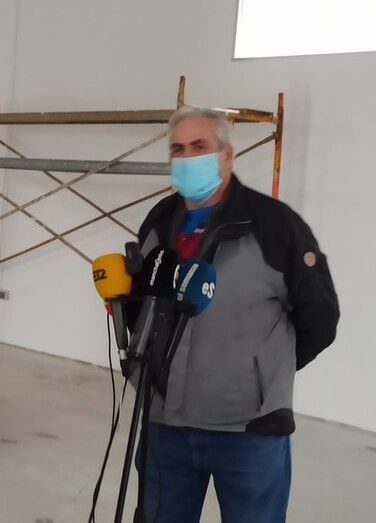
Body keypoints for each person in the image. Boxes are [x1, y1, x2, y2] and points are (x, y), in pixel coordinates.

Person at [133, 107, 340, 522]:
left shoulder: (274, 225)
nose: (187, 157)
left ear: (226, 155)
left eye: (199, 146)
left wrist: (260, 377)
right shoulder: (159, 222)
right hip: (165, 424)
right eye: (177, 149)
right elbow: (143, 305)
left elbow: (320, 317)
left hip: (248, 432)